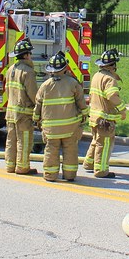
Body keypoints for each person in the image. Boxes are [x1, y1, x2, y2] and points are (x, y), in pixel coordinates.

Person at [33, 51, 87, 183]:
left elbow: (38, 104)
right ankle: (69, 175)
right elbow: (81, 102)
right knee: (70, 149)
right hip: (70, 127)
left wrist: (36, 119)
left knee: (51, 150)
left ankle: (50, 175)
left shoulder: (45, 86)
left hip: (51, 129)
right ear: (65, 68)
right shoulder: (73, 83)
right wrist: (85, 115)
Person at [83, 49, 127, 179]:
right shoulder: (109, 79)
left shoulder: (97, 76)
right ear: (112, 65)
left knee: (96, 141)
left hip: (95, 117)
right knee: (105, 144)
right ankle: (101, 170)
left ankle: (89, 164)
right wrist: (122, 109)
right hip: (105, 119)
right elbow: (112, 96)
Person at [4, 37, 39, 175]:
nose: (31, 56)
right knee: (23, 141)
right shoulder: (28, 72)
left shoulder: (11, 69)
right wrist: (39, 106)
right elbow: (33, 94)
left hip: (11, 113)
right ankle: (23, 167)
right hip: (23, 114)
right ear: (25, 55)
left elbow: (7, 90)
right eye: (29, 53)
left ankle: (10, 166)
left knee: (11, 140)